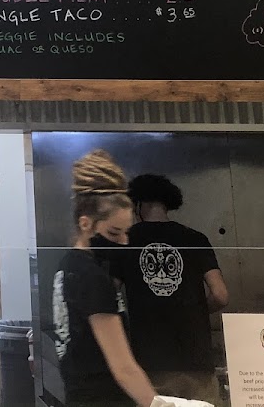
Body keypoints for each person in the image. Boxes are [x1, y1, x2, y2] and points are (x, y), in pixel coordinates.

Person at [52, 149, 160, 407]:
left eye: (126, 233)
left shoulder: (68, 265)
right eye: (114, 233)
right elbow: (124, 368)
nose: (123, 242)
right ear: (86, 224)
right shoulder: (93, 277)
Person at [116, 173, 229, 405]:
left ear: (139, 204)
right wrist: (195, 311)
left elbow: (109, 293)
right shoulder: (195, 238)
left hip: (150, 361)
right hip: (197, 359)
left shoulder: (126, 242)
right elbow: (220, 295)